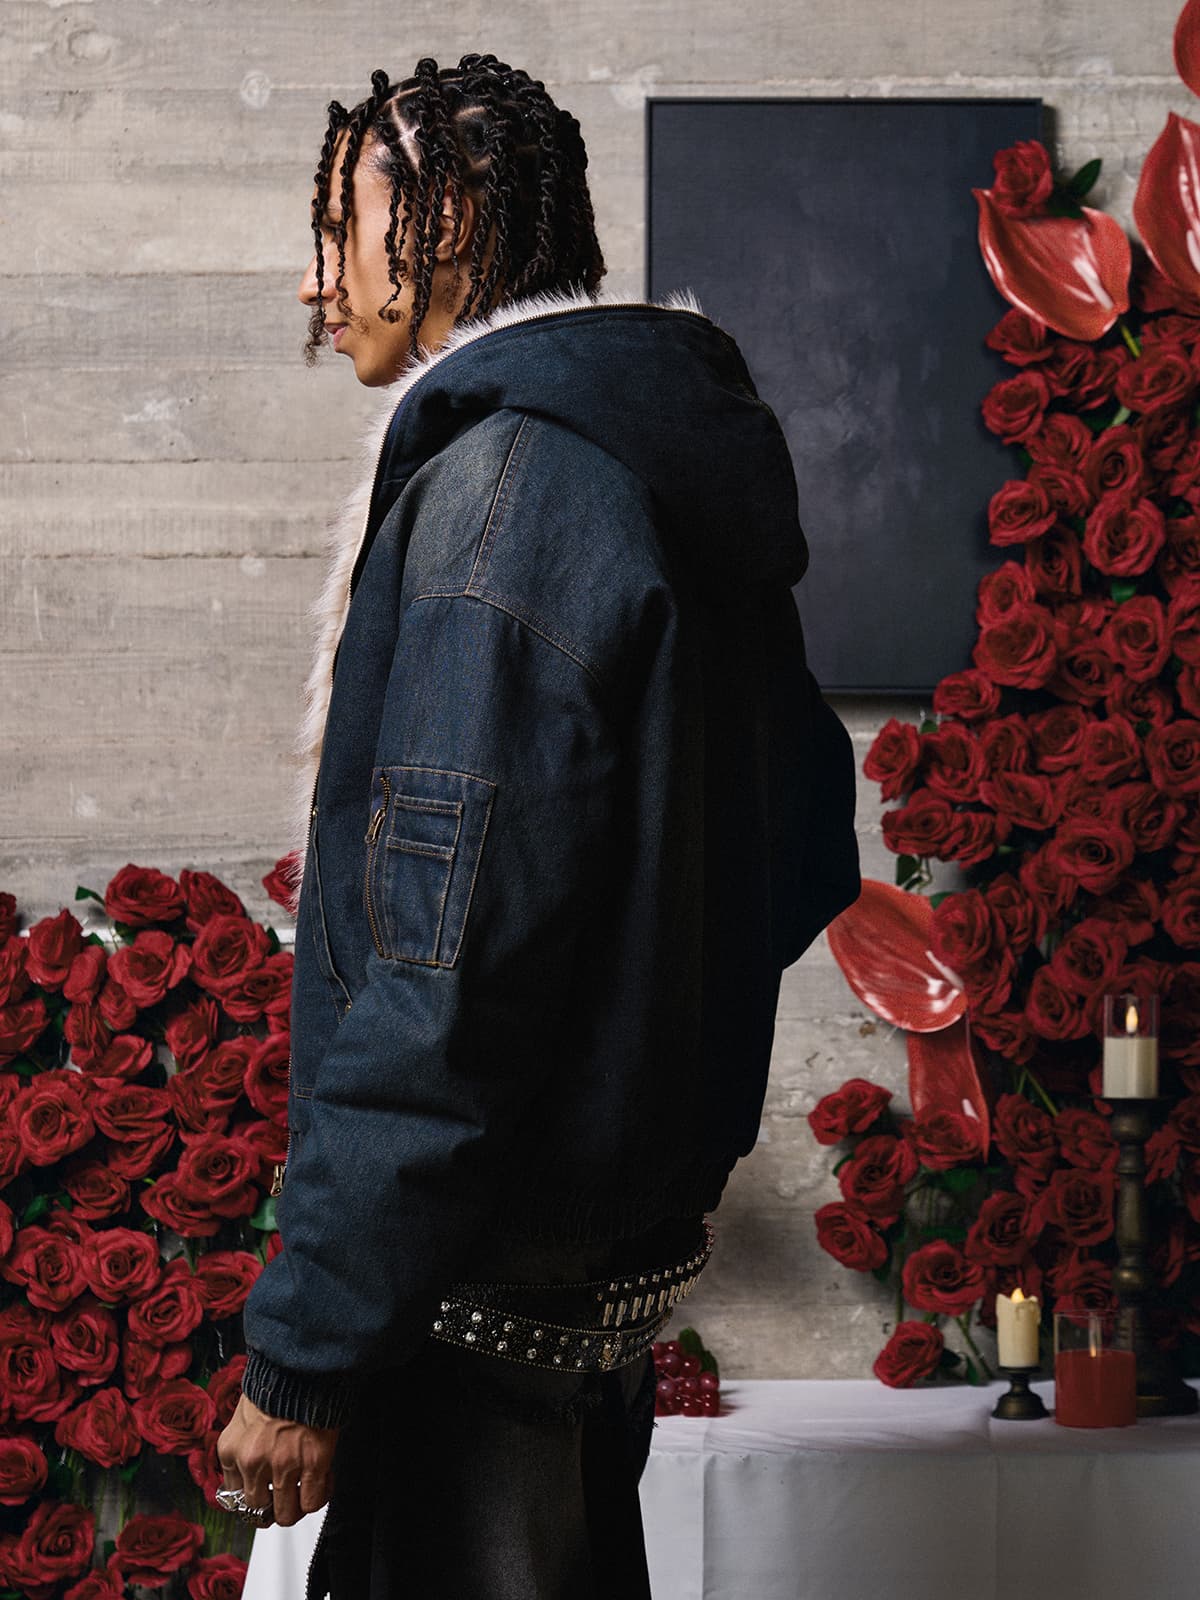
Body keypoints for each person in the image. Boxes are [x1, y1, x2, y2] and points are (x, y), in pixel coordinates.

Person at [216, 52, 861, 1600]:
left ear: (441, 225)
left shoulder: (500, 499)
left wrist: (306, 1348)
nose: (314, 280)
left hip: (478, 1315)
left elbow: (443, 983)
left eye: (338, 229)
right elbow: (800, 853)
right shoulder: (636, 466)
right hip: (590, 1301)